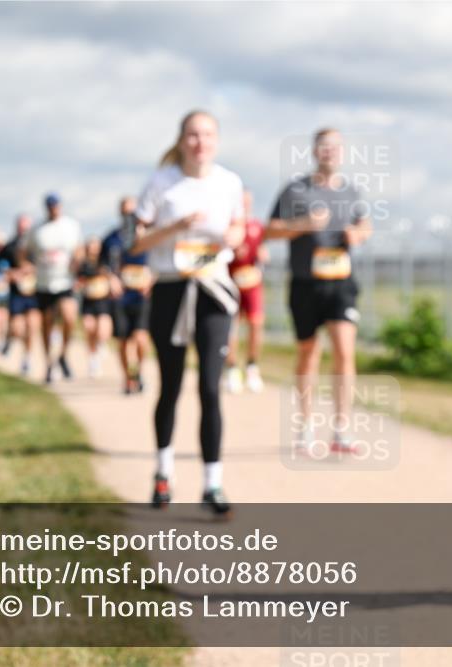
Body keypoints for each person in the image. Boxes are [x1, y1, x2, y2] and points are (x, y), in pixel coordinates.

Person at [130, 110, 245, 516]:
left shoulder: (229, 182)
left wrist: (231, 236)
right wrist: (175, 226)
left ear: (217, 140)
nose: (200, 142)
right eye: (193, 135)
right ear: (181, 140)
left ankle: (212, 483)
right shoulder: (161, 184)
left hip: (213, 290)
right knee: (171, 386)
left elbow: (238, 229)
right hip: (170, 289)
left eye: (208, 134)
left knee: (211, 389)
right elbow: (136, 242)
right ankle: (163, 474)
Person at [266, 128, 372, 456]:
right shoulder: (295, 191)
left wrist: (358, 234)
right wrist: (302, 225)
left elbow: (366, 225)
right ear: (314, 151)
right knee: (308, 353)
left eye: (336, 147)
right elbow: (269, 230)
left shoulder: (352, 191)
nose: (330, 152)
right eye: (324, 147)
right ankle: (306, 426)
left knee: (344, 351)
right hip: (304, 282)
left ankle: (341, 428)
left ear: (342, 153)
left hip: (341, 281)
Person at [22, 194, 83, 384]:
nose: (53, 209)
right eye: (50, 206)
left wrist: (76, 262)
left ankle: (63, 355)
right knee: (47, 325)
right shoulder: (37, 229)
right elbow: (23, 251)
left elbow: (79, 249)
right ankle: (49, 363)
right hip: (44, 283)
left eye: (56, 206)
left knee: (69, 318)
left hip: (64, 281)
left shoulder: (71, 226)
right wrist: (26, 266)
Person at [101, 196, 153, 395]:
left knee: (140, 338)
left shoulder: (148, 237)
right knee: (123, 340)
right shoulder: (112, 238)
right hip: (121, 297)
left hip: (141, 296)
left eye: (132, 212)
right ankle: (127, 379)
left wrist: (151, 278)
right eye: (125, 212)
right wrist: (111, 279)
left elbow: (160, 262)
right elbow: (103, 264)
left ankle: (138, 372)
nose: (128, 216)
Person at [225, 189, 269, 394]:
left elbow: (262, 251)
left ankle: (252, 366)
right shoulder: (228, 226)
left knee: (256, 323)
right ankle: (232, 368)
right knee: (231, 328)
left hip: (252, 283)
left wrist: (262, 256)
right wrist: (232, 253)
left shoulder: (256, 226)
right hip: (230, 282)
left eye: (247, 202)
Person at [0, 214, 39, 376]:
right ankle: (10, 339)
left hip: (34, 292)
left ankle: (27, 358)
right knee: (17, 328)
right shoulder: (10, 246)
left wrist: (32, 270)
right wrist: (11, 273)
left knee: (32, 326)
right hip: (16, 293)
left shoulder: (36, 246)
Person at [76, 236, 114, 378]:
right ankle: (93, 359)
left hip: (102, 300)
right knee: (89, 328)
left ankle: (101, 345)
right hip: (88, 300)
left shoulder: (105, 261)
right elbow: (79, 279)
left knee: (102, 329)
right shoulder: (83, 264)